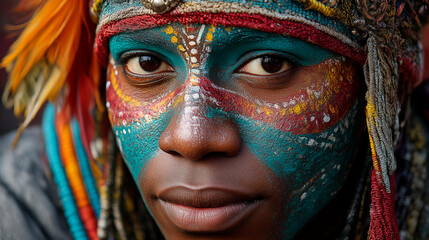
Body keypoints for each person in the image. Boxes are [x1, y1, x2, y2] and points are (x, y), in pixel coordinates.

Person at [1, 0, 429, 239]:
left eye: (268, 64)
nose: (191, 137)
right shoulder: (22, 214)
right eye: (146, 63)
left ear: (383, 79)